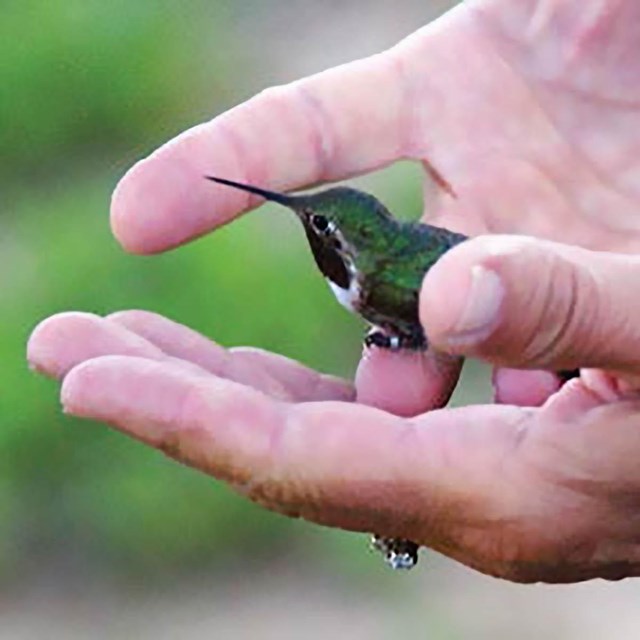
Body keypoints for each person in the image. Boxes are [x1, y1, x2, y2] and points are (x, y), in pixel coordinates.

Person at [26, 0, 640, 583]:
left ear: (348, 245)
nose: (307, 224)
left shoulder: (380, 279)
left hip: (452, 301)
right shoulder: (365, 269)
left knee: (447, 318)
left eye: (318, 224)